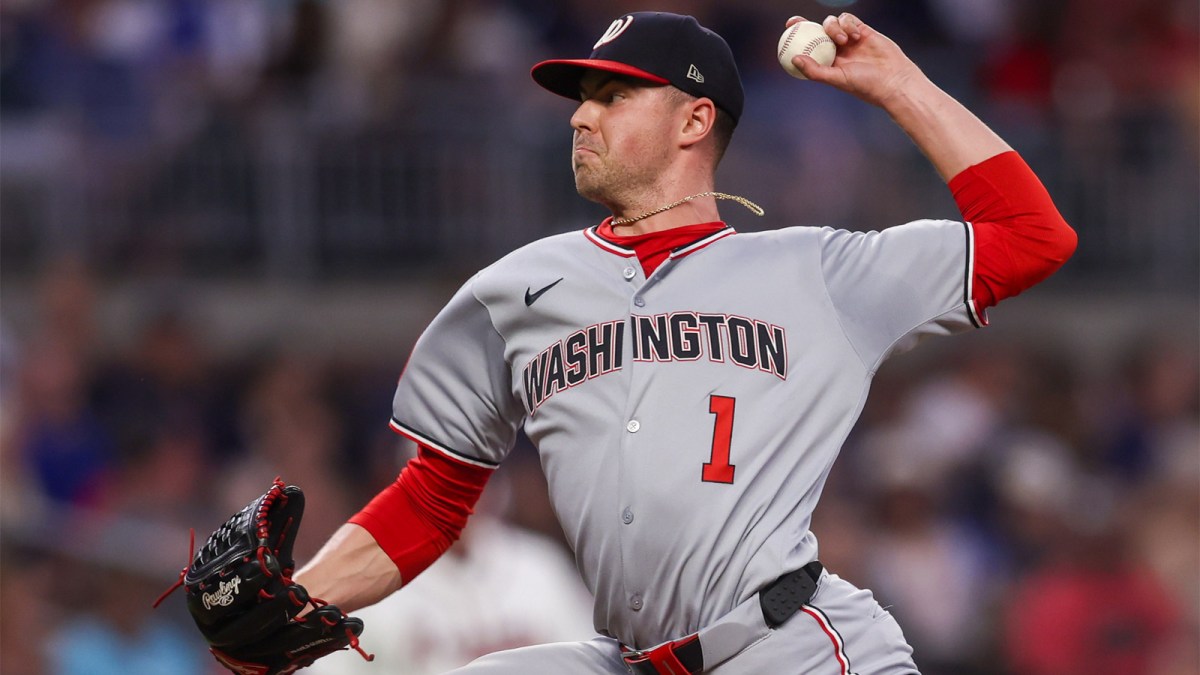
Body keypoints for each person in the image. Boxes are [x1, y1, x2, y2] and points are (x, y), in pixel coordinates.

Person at [294, 11, 1076, 674]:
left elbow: (1032, 235)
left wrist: (897, 84)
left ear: (694, 120)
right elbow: (434, 498)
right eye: (582, 97)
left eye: (614, 94)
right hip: (624, 655)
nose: (580, 115)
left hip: (788, 647)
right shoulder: (512, 293)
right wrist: (298, 604)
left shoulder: (822, 271)